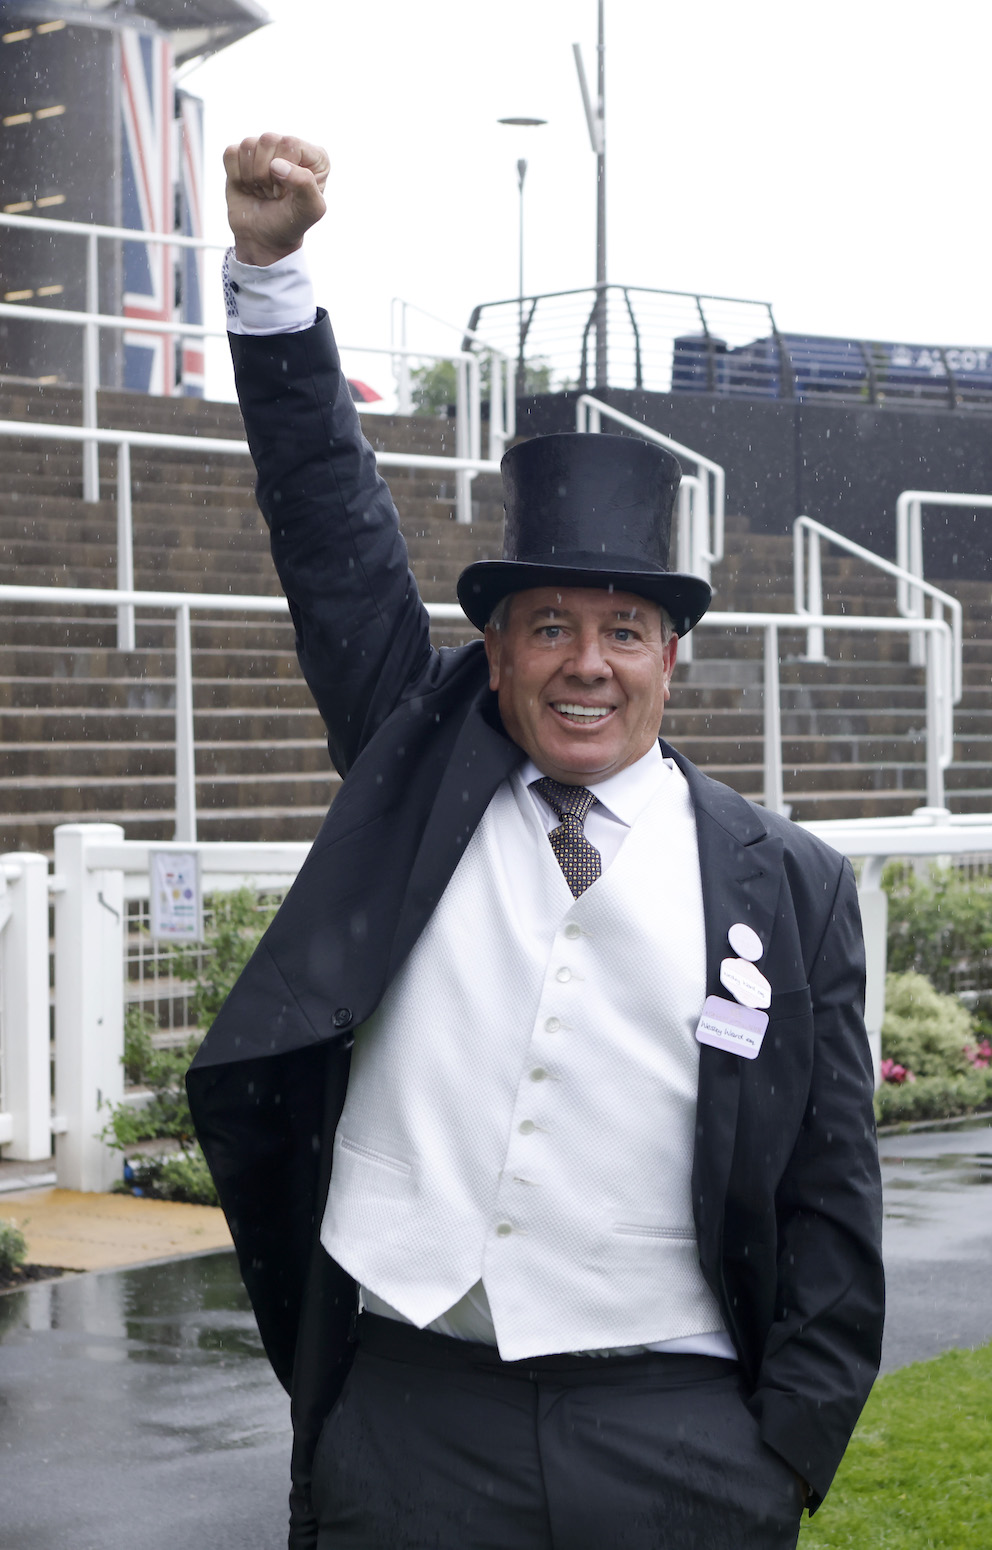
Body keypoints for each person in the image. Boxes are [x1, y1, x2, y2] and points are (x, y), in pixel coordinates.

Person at [188, 132, 884, 1550]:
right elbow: (330, 534)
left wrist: (783, 1456)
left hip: (679, 1439)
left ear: (672, 658)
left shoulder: (789, 884)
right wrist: (274, 272)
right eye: (549, 625)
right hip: (410, 1420)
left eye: (623, 629)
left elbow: (833, 1207)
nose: (587, 663)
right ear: (493, 650)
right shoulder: (419, 771)